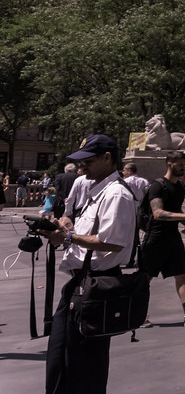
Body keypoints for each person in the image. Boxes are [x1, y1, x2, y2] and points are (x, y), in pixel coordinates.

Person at [44, 135, 136, 394]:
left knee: (84, 368)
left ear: (107, 158)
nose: (82, 166)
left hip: (96, 288)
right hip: (81, 284)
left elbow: (113, 242)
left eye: (88, 160)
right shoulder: (98, 191)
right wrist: (65, 230)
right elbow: (91, 235)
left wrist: (69, 237)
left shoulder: (116, 194)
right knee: (61, 359)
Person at [139, 151, 185, 328]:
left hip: (173, 236)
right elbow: (158, 213)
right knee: (146, 278)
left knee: (181, 275)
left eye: (184, 164)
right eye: (180, 164)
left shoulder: (180, 186)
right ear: (169, 164)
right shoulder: (157, 186)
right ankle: (138, 315)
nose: (183, 167)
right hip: (155, 237)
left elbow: (175, 208)